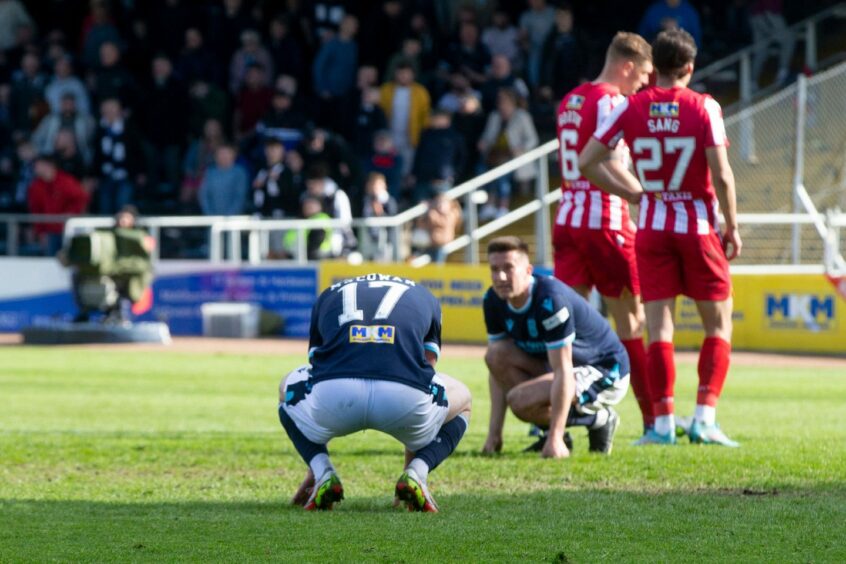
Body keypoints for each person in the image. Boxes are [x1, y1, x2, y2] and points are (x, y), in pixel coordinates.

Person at [579, 29, 741, 446]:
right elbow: (721, 174)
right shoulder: (704, 106)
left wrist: (633, 192)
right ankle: (704, 418)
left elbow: (588, 162)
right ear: (689, 67)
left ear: (657, 68)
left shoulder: (631, 107)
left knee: (659, 329)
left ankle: (664, 424)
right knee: (718, 324)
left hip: (651, 228)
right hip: (699, 228)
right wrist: (732, 226)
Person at [279, 274, 472, 511]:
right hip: (404, 400)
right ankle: (417, 472)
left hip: (335, 398)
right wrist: (411, 457)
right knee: (463, 400)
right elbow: (427, 367)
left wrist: (313, 450)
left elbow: (317, 365)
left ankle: (322, 471)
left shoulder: (328, 294)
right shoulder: (426, 296)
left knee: (285, 387)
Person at [552, 32, 655, 437]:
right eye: (643, 74)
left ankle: (557, 416)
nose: (645, 84)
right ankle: (655, 420)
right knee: (632, 320)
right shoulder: (614, 101)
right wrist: (640, 196)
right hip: (605, 221)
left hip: (568, 219)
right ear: (627, 65)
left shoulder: (570, 100)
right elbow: (608, 163)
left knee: (563, 327)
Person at [482, 236, 629, 458]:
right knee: (495, 356)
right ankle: (559, 430)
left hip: (605, 370)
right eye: (494, 269)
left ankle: (597, 420)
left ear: (528, 270)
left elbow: (563, 369)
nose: (500, 277)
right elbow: (497, 370)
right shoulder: (493, 300)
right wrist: (494, 434)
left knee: (520, 401)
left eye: (508, 268)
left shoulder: (550, 300)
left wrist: (555, 438)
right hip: (562, 370)